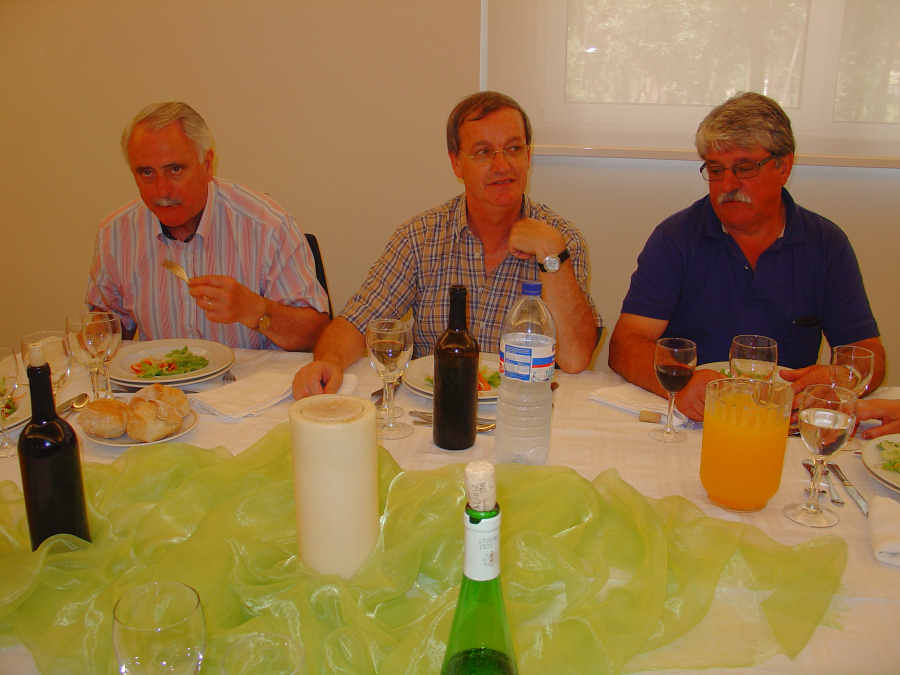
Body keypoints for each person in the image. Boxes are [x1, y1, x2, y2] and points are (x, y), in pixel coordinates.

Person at [292, 91, 598, 398]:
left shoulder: (561, 239)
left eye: (513, 149)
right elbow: (357, 323)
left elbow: (574, 359)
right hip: (434, 407)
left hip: (521, 408)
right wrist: (328, 362)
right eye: (483, 152)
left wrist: (551, 253)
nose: (502, 165)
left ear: (528, 156)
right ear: (456, 163)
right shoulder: (420, 237)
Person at [608, 92, 885, 420]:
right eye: (716, 169)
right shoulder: (676, 237)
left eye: (744, 168)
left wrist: (840, 379)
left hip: (783, 421)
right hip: (696, 417)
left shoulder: (825, 243)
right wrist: (682, 384)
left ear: (784, 166)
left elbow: (867, 353)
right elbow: (626, 344)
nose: (728, 184)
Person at [86, 101, 330, 350]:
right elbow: (108, 324)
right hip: (160, 375)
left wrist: (255, 310)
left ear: (207, 164)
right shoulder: (115, 234)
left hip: (252, 375)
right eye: (146, 173)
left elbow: (317, 334)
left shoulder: (268, 227)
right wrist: (96, 334)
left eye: (175, 169)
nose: (162, 190)